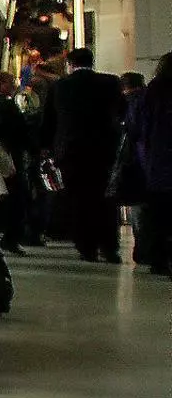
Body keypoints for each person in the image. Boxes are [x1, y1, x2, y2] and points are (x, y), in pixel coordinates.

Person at [41, 48, 127, 263]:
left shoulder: (60, 86)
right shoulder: (111, 82)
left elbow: (49, 120)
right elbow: (123, 111)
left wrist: (45, 147)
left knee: (79, 200)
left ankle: (86, 247)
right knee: (105, 199)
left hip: (71, 151)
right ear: (92, 62)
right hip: (104, 150)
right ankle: (110, 247)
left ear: (70, 64)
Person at [126, 54, 172, 276]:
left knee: (157, 214)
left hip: (155, 162)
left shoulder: (149, 95)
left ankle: (157, 258)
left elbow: (136, 129)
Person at [0, 72, 34, 255]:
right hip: (10, 159)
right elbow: (20, 133)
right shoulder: (6, 104)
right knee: (17, 198)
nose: (15, 87)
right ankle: (11, 239)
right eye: (12, 83)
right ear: (1, 83)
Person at [122, 71, 148, 262]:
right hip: (155, 160)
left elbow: (132, 130)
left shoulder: (130, 103)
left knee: (140, 205)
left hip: (138, 158)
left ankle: (143, 247)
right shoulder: (149, 98)